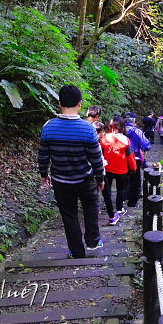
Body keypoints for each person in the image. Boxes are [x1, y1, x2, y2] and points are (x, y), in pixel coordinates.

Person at [38, 85, 105, 258]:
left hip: (61, 180)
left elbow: (43, 154)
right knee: (91, 207)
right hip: (85, 178)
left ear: (59, 103)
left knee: (69, 215)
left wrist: (43, 175)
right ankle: (93, 241)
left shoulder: (48, 127)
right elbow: (96, 157)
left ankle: (77, 251)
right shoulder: (88, 129)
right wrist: (100, 178)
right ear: (80, 104)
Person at [99, 116, 137, 225]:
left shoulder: (104, 138)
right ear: (122, 127)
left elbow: (100, 153)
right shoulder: (125, 140)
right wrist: (133, 168)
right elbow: (130, 156)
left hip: (107, 168)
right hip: (121, 169)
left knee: (107, 189)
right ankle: (119, 208)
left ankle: (109, 206)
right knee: (120, 189)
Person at [123, 112, 151, 208]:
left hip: (122, 158)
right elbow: (146, 145)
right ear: (134, 121)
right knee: (135, 179)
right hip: (136, 158)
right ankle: (132, 201)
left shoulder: (120, 131)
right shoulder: (137, 132)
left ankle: (123, 197)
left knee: (124, 178)